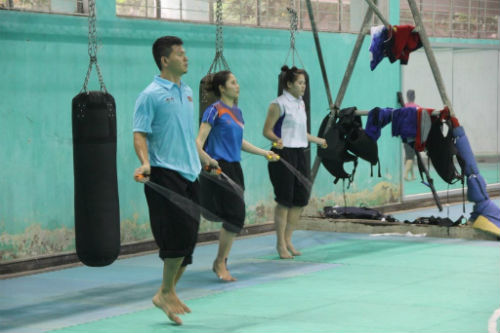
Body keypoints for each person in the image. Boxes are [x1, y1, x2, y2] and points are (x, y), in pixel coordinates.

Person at [133, 36, 201, 325]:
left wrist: (205, 159)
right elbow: (139, 133)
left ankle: (167, 291)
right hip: (164, 172)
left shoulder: (186, 92)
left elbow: (187, 135)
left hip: (191, 172)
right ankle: (164, 291)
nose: (186, 58)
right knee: (177, 236)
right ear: (165, 60)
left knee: (190, 238)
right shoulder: (150, 94)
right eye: (180, 54)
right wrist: (145, 162)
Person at [196, 70, 279, 281]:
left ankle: (220, 261)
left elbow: (238, 142)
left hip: (235, 168)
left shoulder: (238, 113)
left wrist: (264, 152)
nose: (237, 85)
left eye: (237, 82)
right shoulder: (213, 110)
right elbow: (197, 142)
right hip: (217, 168)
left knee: (235, 216)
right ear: (222, 88)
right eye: (233, 82)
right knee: (236, 215)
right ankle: (220, 263)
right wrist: (207, 160)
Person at [263, 65, 327, 259]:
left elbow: (301, 133)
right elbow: (266, 131)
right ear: (289, 84)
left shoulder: (300, 103)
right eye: (300, 83)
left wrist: (318, 140)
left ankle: (288, 238)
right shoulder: (278, 104)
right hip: (282, 155)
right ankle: (280, 243)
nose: (303, 86)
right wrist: (276, 139)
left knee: (300, 200)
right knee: (284, 201)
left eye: (305, 83)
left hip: (300, 153)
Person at [403, 89, 420, 181]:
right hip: (412, 134)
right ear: (414, 96)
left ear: (407, 97)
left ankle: (412, 175)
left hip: (404, 134)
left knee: (408, 155)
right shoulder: (417, 107)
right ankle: (405, 174)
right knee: (410, 156)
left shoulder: (403, 107)